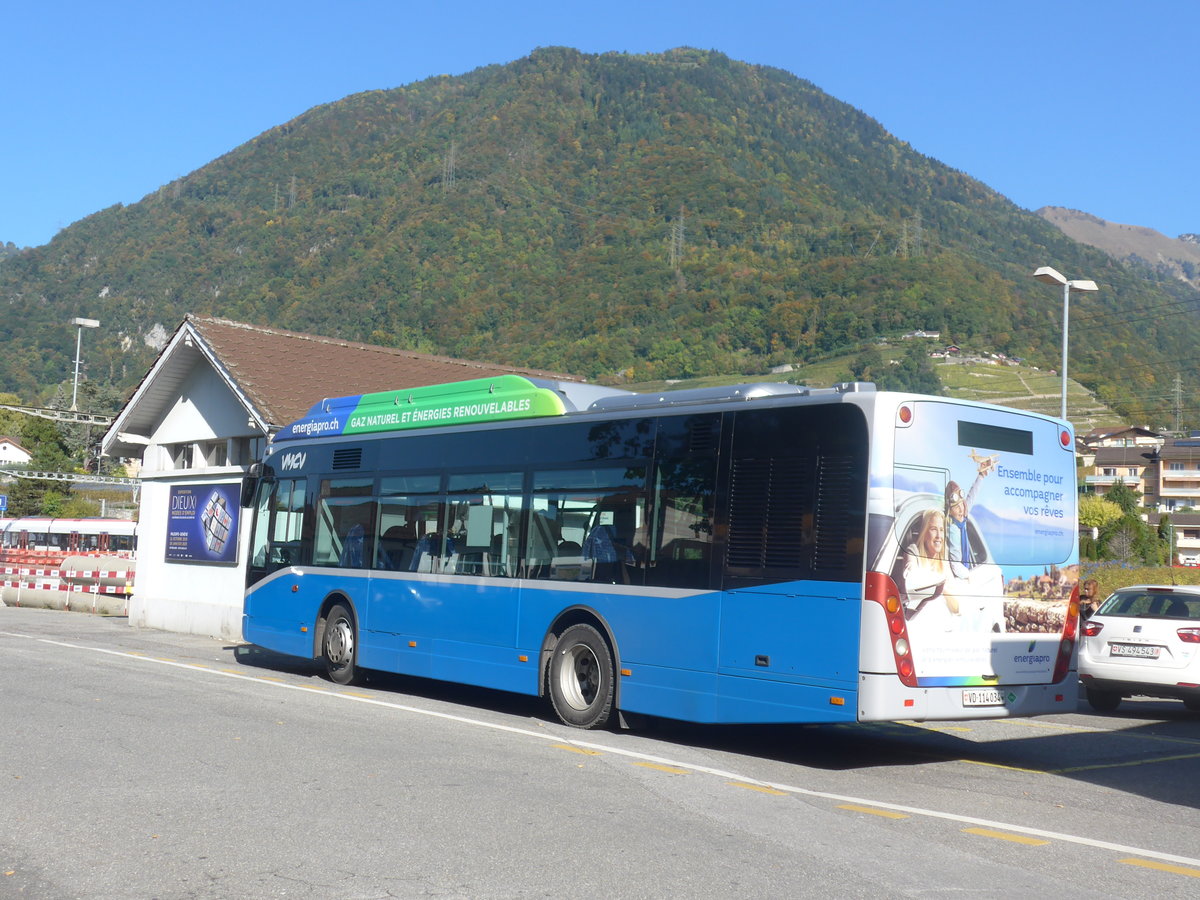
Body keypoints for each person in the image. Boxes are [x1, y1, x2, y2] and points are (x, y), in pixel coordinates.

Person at [901, 508, 961, 635]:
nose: (939, 536)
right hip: (919, 629)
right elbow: (910, 574)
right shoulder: (913, 552)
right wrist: (938, 585)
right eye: (933, 529)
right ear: (924, 532)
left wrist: (941, 588)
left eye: (941, 530)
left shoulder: (944, 561)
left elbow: (956, 607)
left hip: (943, 631)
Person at [945, 455, 993, 579]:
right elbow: (955, 565)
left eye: (962, 504)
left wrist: (981, 475)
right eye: (956, 507)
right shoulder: (953, 529)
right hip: (960, 577)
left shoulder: (962, 518)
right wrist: (970, 577)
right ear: (950, 511)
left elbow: (972, 495)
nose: (961, 510)